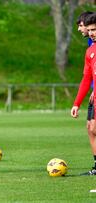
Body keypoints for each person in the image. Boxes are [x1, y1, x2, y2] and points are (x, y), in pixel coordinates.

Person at [71, 12, 96, 176]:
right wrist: (76, 103)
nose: (92, 32)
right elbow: (86, 78)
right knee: (91, 129)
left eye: (94, 29)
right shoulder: (90, 51)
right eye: (90, 29)